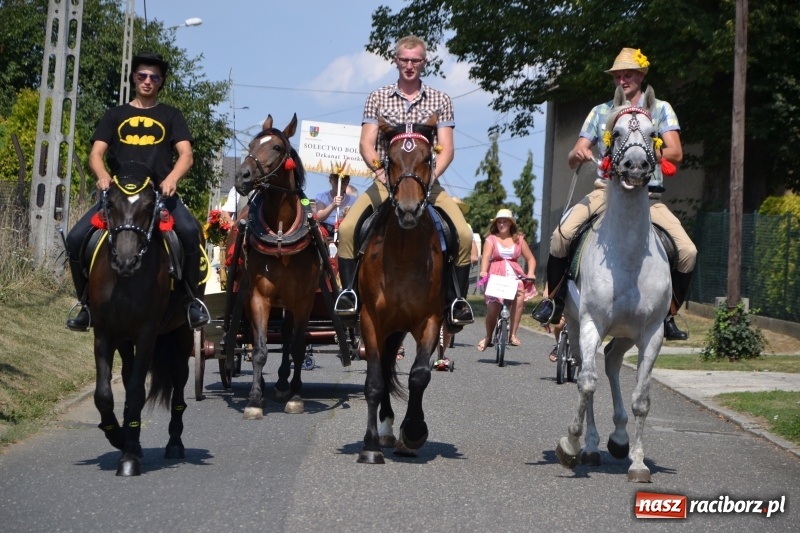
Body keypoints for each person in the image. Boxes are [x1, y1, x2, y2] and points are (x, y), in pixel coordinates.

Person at [532, 47, 696, 341]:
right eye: (618, 76)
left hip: (650, 198)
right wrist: (578, 152)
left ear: (642, 75)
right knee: (561, 235)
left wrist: (641, 153)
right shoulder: (600, 112)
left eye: (629, 74)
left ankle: (668, 315)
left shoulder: (661, 109)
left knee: (688, 252)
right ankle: (553, 302)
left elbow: (676, 152)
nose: (623, 80)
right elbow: (574, 154)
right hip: (604, 193)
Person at [334, 35, 475, 330]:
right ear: (396, 61)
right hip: (387, 179)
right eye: (404, 60)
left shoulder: (441, 100)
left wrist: (428, 180)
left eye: (415, 60)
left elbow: (446, 148)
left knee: (462, 233)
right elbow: (367, 144)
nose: (409, 65)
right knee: (347, 229)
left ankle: (456, 302)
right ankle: (349, 295)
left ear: (424, 63)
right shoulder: (377, 97)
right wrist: (380, 174)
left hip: (426, 183)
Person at [65, 51, 210, 331]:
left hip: (159, 195)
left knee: (192, 234)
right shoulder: (115, 114)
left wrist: (172, 178)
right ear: (134, 78)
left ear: (161, 82)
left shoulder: (171, 115)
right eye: (142, 75)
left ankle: (192, 302)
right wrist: (103, 175)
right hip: (119, 197)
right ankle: (85, 304)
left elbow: (186, 154)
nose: (147, 81)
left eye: (154, 77)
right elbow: (96, 154)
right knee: (75, 238)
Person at [476, 209, 537, 351]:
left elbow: (531, 258)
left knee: (520, 292)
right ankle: (488, 337)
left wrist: (531, 272)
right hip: (496, 275)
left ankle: (513, 334)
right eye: (499, 221)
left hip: (514, 275)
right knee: (493, 309)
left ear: (510, 223)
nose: (501, 224)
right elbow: (485, 257)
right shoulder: (491, 239)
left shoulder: (519, 240)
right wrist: (484, 271)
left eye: (504, 221)